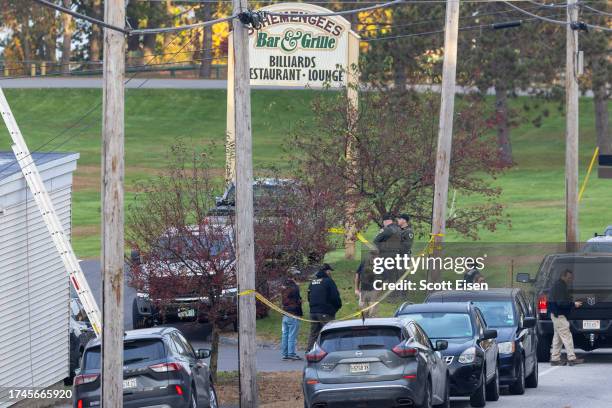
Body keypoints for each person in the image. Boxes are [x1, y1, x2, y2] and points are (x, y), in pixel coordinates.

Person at [549, 269, 584, 366]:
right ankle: (572, 358)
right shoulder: (560, 286)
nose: (570, 280)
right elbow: (561, 303)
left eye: (571, 278)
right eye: (569, 277)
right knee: (567, 336)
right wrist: (573, 304)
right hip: (559, 315)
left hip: (555, 314)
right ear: (563, 276)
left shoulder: (558, 285)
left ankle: (555, 359)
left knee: (558, 338)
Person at [306, 263, 342, 351]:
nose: (330, 273)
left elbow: (309, 297)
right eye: (330, 271)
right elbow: (335, 297)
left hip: (313, 312)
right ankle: (329, 352)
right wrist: (337, 307)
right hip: (325, 312)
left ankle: (309, 351)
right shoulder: (329, 281)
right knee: (329, 333)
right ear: (326, 271)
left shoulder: (312, 282)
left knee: (314, 333)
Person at [280, 277, 303, 361]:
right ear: (293, 279)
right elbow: (298, 300)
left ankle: (285, 354)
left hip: (285, 314)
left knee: (285, 335)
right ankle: (291, 354)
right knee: (292, 335)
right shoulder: (295, 288)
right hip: (293, 314)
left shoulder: (283, 288)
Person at [354, 251, 378, 317]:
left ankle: (374, 325)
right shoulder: (364, 263)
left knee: (373, 313)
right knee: (363, 310)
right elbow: (357, 274)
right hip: (363, 291)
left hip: (373, 291)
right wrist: (356, 289)